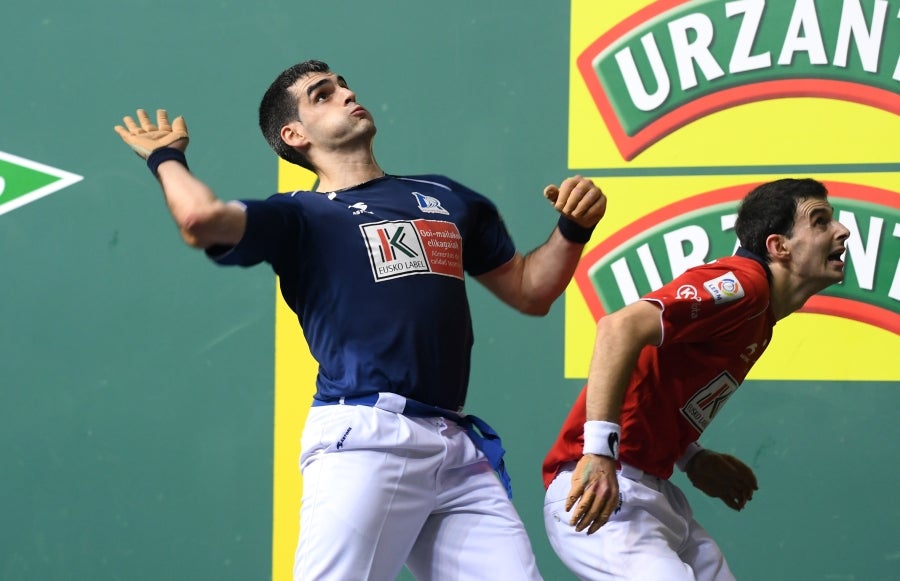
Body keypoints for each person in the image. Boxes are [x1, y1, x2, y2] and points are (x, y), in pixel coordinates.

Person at [114, 59, 608, 581]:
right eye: (323, 95)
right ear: (294, 134)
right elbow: (199, 219)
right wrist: (165, 158)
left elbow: (531, 290)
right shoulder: (299, 216)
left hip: (455, 448)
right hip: (368, 437)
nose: (347, 94)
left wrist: (573, 229)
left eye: (344, 85)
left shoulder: (445, 198)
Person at [541, 178, 851, 580]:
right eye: (821, 221)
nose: (842, 230)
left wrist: (691, 456)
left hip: (656, 498)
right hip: (602, 492)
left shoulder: (761, 319)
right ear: (779, 247)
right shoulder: (744, 284)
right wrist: (599, 450)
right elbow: (619, 329)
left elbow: (656, 382)